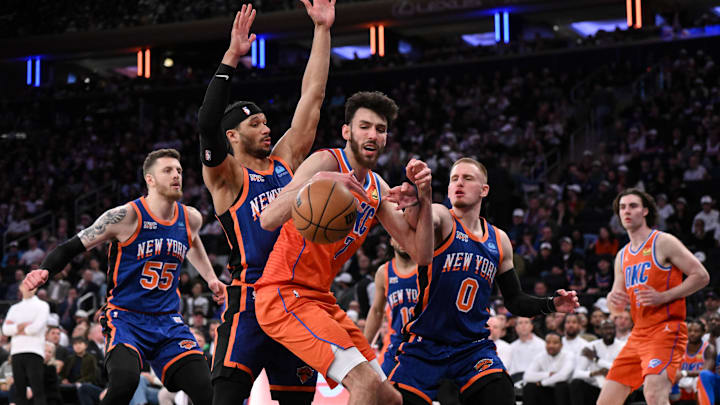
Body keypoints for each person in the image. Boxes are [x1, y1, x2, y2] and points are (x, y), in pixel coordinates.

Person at [256, 91, 435, 405]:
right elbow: (268, 218)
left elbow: (421, 255)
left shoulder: (377, 188)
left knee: (390, 399)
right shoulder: (326, 161)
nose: (372, 135)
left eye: (380, 129)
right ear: (347, 132)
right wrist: (319, 180)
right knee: (363, 382)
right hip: (284, 294)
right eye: (364, 126)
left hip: (322, 300)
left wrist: (425, 199)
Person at [196, 2, 335, 404]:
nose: (266, 127)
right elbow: (206, 124)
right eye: (253, 124)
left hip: (295, 297)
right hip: (250, 299)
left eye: (265, 121)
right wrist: (231, 57)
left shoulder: (286, 161)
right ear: (233, 137)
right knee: (225, 398)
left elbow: (313, 96)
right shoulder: (227, 178)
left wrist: (322, 30)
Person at [23, 149, 224, 405]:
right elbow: (71, 246)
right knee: (124, 383)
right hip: (126, 318)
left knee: (206, 388)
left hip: (168, 321)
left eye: (179, 171)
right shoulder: (126, 216)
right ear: (149, 179)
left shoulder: (191, 217)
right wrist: (45, 270)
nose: (176, 175)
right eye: (168, 170)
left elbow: (192, 243)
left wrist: (210, 278)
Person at [388, 157, 578, 405]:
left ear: (484, 190)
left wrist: (551, 304)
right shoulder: (442, 216)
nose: (459, 183)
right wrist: (417, 200)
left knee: (501, 393)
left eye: (467, 178)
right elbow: (421, 219)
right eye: (454, 179)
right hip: (425, 344)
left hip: (472, 348)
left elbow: (515, 300)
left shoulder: (499, 240)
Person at [598, 188, 710, 405]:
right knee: (606, 401)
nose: (626, 211)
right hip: (638, 334)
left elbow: (701, 276)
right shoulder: (622, 255)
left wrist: (664, 296)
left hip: (666, 330)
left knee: (654, 394)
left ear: (646, 211)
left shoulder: (663, 241)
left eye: (633, 206)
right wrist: (614, 304)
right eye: (622, 207)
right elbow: (618, 304)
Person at [364, 237, 418, 376]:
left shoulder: (427, 266)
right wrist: (363, 348)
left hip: (424, 344)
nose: (402, 238)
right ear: (391, 241)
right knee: (382, 392)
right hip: (395, 344)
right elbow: (376, 311)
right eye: (397, 234)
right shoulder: (384, 272)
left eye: (405, 234)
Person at [1, 283, 50, 405]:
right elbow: (6, 330)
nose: (28, 288)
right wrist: (24, 326)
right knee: (19, 391)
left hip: (34, 351)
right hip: (17, 352)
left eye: (31, 285)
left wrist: (17, 328)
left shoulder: (42, 305)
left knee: (37, 390)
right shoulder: (14, 308)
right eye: (25, 285)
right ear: (20, 288)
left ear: (36, 288)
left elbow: (35, 328)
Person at [570, 320, 625, 405]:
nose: (608, 331)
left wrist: (596, 359)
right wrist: (594, 373)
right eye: (605, 329)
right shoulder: (590, 347)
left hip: (614, 387)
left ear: (615, 330)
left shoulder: (623, 346)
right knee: (576, 383)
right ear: (600, 331)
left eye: (611, 328)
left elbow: (619, 369)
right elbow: (576, 373)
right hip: (595, 387)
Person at [522, 332, 574, 405]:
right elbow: (527, 376)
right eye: (548, 342)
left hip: (564, 393)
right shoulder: (540, 356)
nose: (551, 345)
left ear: (561, 345)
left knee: (561, 385)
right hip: (546, 392)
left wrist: (543, 383)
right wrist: (549, 374)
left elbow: (563, 376)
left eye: (555, 343)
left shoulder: (569, 355)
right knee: (530, 386)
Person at [671, 319, 714, 404]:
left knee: (699, 380)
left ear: (703, 333)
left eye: (696, 331)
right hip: (681, 380)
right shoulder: (679, 347)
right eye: (689, 331)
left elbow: (705, 371)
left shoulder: (709, 348)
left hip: (698, 381)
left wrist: (684, 373)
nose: (692, 334)